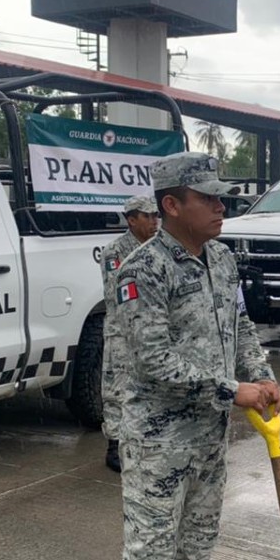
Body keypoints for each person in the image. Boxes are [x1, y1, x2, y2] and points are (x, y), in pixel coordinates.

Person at [112, 152, 280, 560]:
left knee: (198, 540)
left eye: (220, 196)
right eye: (207, 197)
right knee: (149, 554)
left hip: (208, 433)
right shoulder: (142, 269)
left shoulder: (221, 259)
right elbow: (154, 362)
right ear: (171, 204)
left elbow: (240, 326)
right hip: (159, 440)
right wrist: (237, 391)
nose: (220, 205)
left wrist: (263, 375)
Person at [100, 195, 161, 472]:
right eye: (147, 216)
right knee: (117, 388)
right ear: (131, 219)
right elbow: (121, 292)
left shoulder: (160, 247)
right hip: (122, 332)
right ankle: (115, 444)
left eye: (155, 216)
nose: (153, 222)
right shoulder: (116, 251)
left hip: (153, 330)